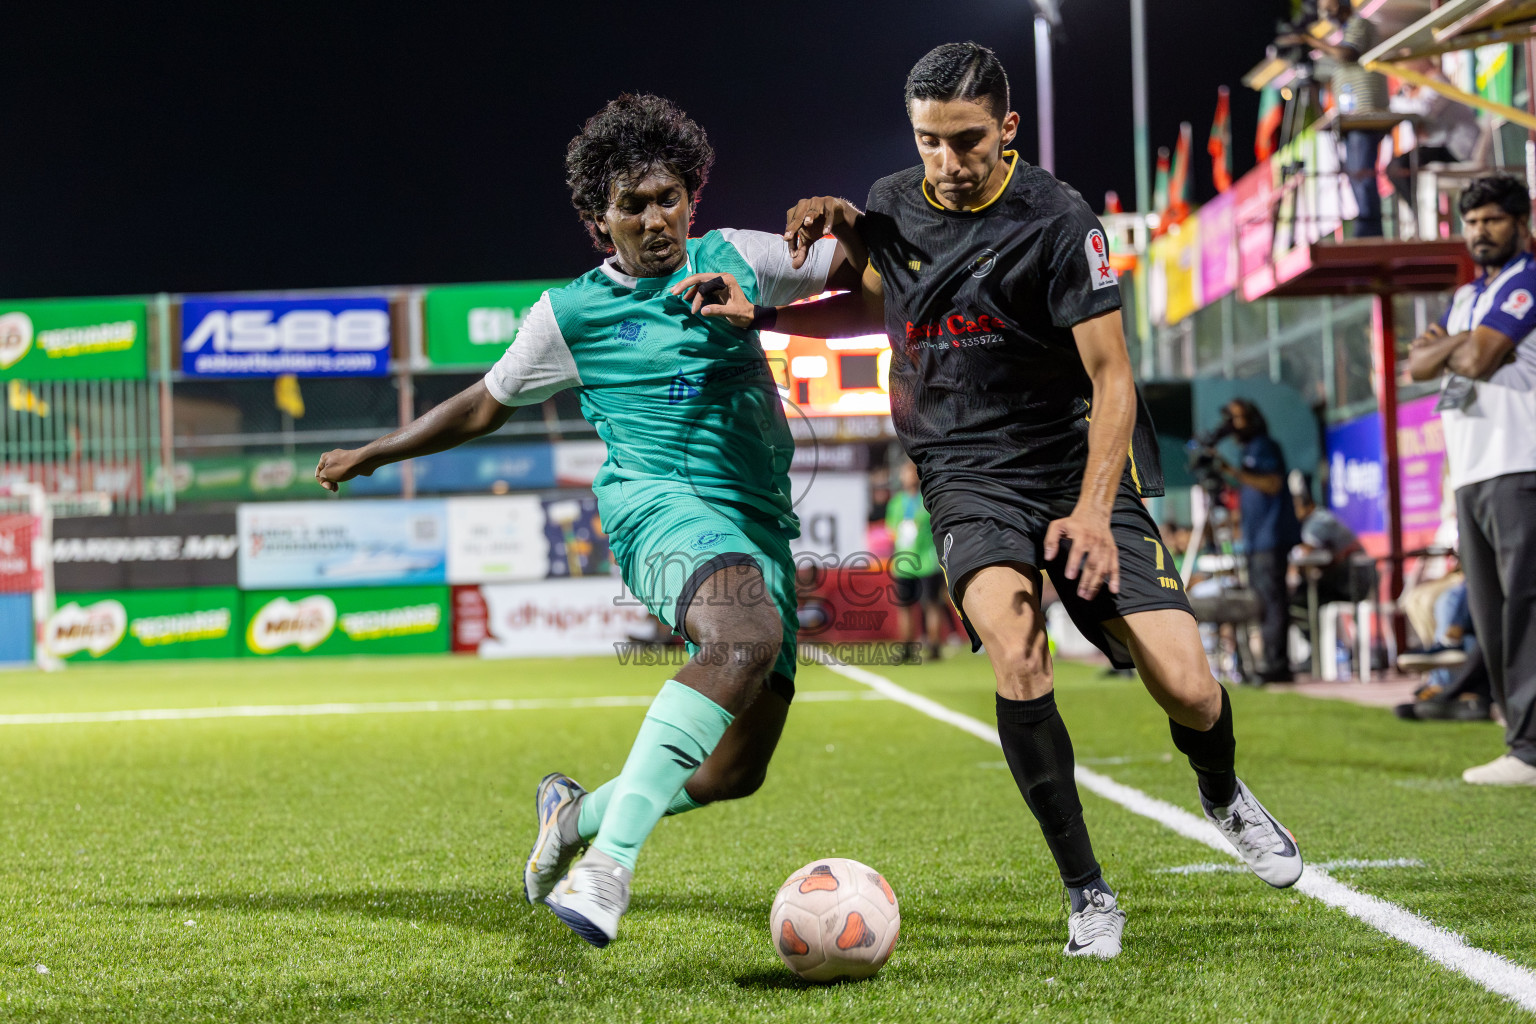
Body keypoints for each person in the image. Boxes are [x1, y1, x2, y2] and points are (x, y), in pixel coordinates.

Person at [675, 41, 1302, 959]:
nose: (948, 163)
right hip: (965, 472)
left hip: (1074, 459)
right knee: (1017, 652)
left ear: (1007, 129)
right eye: (929, 142)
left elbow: (1114, 380)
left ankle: (1222, 792)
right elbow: (885, 307)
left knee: (1191, 689)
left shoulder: (1058, 220)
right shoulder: (889, 205)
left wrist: (1090, 513)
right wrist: (763, 319)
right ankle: (1088, 893)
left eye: (965, 142)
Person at [315, 94, 863, 944]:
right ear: (597, 222)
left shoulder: (744, 259)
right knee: (744, 639)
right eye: (631, 205)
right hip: (658, 506)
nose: (655, 219)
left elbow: (868, 272)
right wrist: (372, 453)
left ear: (694, 198)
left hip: (759, 524)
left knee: (733, 771)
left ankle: (571, 820)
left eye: (669, 197)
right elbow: (481, 405)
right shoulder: (568, 314)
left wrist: (853, 221)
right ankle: (608, 871)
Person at [1407, 174, 1536, 786]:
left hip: (1522, 463)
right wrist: (1464, 341)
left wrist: (1457, 347)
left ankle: (1530, 748)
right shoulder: (1465, 299)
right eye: (1472, 222)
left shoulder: (1528, 279)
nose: (1480, 232)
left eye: (1492, 220)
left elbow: (1479, 360)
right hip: (1473, 472)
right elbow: (1417, 365)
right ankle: (1518, 742)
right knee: (1490, 614)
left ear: (1521, 221)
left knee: (1524, 613)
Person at [1278, 0, 1389, 236]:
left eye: (1327, 7)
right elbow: (1332, 69)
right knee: (1355, 173)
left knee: (1361, 172)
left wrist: (1309, 39)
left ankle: (1370, 231)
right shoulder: (1344, 32)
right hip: (1352, 117)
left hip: (1366, 113)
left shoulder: (1359, 24)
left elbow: (1348, 54)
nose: (1324, 13)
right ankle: (1366, 226)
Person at [1214, 399, 1302, 683]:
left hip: (1270, 538)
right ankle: (1269, 662)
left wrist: (1234, 473)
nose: (1231, 425)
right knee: (1263, 603)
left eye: (1236, 419)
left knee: (1271, 602)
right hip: (1256, 540)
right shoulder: (1250, 450)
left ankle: (1277, 666)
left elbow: (1272, 484)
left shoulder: (1264, 446)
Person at [887, 459, 948, 662]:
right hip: (904, 564)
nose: (907, 477)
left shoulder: (928, 500)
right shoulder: (897, 502)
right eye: (904, 473)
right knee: (905, 607)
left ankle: (935, 646)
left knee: (931, 605)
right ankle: (906, 648)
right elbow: (891, 530)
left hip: (928, 562)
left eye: (911, 472)